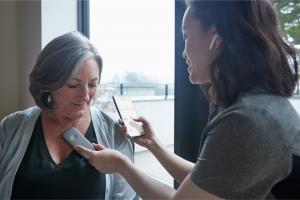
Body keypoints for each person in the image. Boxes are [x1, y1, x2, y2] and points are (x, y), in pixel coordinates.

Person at [75, 0, 300, 199]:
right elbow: (212, 181)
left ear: (215, 38)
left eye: (186, 36)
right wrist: (154, 146)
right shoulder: (260, 104)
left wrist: (121, 165)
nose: (183, 52)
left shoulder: (246, 120)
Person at [0, 31, 137, 199]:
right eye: (73, 85)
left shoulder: (115, 134)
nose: (86, 96)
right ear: (49, 82)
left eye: (93, 84)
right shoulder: (11, 127)